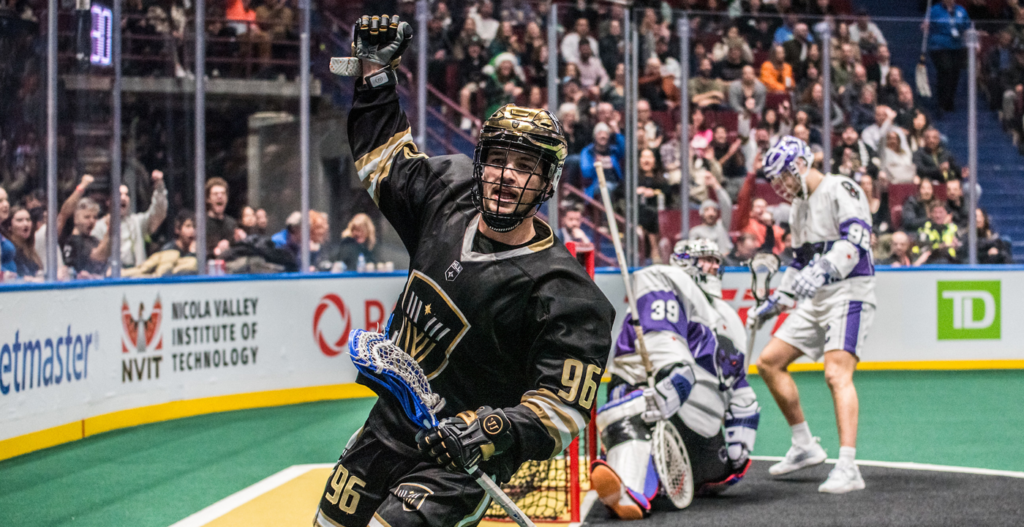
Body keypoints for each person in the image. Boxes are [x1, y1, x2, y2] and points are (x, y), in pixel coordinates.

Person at [314, 17, 615, 527]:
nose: (505, 177)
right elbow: (382, 158)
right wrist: (375, 73)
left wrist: (491, 427)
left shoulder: (566, 293)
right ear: (480, 163)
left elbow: (563, 410)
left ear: (548, 183)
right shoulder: (445, 196)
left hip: (463, 458)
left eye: (524, 167)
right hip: (388, 427)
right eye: (497, 160)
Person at [591, 240, 759, 519]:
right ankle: (628, 486)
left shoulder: (730, 318)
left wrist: (742, 434)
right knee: (633, 409)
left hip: (697, 425)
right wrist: (674, 375)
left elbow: (738, 383)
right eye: (705, 259)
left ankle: (667, 473)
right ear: (682, 261)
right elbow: (663, 340)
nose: (714, 266)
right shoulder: (668, 278)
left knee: (706, 468)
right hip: (651, 395)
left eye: (716, 260)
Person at [750, 136, 875, 494]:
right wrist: (775, 302)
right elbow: (800, 262)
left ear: (801, 165)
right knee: (770, 362)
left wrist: (823, 269)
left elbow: (857, 240)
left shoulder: (841, 188)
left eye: (784, 177)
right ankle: (805, 444)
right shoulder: (799, 207)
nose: (782, 187)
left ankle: (849, 467)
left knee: (836, 374)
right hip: (819, 298)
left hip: (851, 291)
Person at [91, 169, 167, 269]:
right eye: (119, 194)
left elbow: (158, 214)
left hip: (137, 276)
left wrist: (159, 188)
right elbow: (96, 258)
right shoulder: (99, 226)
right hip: (112, 279)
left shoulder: (137, 222)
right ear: (108, 201)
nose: (123, 198)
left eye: (126, 195)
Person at [927, 0, 971, 113]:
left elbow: (967, 27)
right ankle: (941, 102)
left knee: (955, 73)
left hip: (956, 47)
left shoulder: (961, 10)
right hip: (939, 47)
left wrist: (971, 43)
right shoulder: (934, 10)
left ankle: (949, 101)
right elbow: (927, 25)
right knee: (946, 70)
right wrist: (926, 26)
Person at [61, 198, 112, 277]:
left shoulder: (94, 239)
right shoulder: (73, 241)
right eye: (87, 217)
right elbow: (98, 256)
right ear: (76, 219)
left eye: (95, 217)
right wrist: (110, 229)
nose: (92, 221)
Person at [204, 177, 244, 258]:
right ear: (208, 199)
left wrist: (242, 241)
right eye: (215, 194)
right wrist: (214, 251)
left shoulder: (231, 223)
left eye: (223, 193)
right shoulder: (201, 223)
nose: (220, 196)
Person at [688, 186, 734, 254]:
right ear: (701, 213)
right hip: (705, 262)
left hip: (725, 262)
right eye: (707, 210)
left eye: (714, 210)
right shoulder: (695, 231)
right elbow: (692, 252)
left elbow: (727, 206)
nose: (711, 213)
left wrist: (716, 186)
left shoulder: (722, 226)